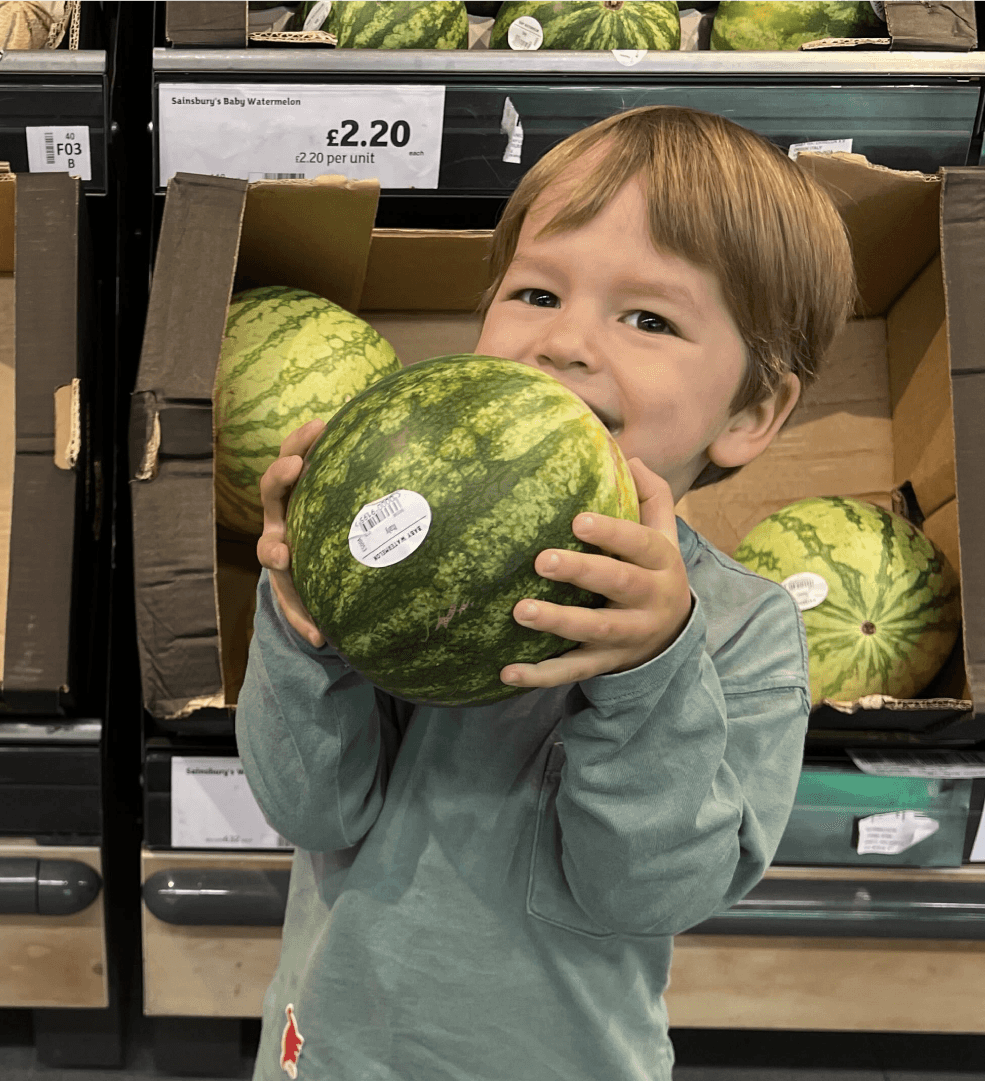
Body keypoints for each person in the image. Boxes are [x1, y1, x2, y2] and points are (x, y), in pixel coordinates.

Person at [241, 104, 856, 1080]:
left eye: (647, 317)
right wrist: (303, 617)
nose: (565, 341)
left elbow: (646, 894)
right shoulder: (400, 555)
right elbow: (311, 810)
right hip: (329, 1054)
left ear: (750, 410)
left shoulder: (743, 629)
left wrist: (651, 668)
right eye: (534, 293)